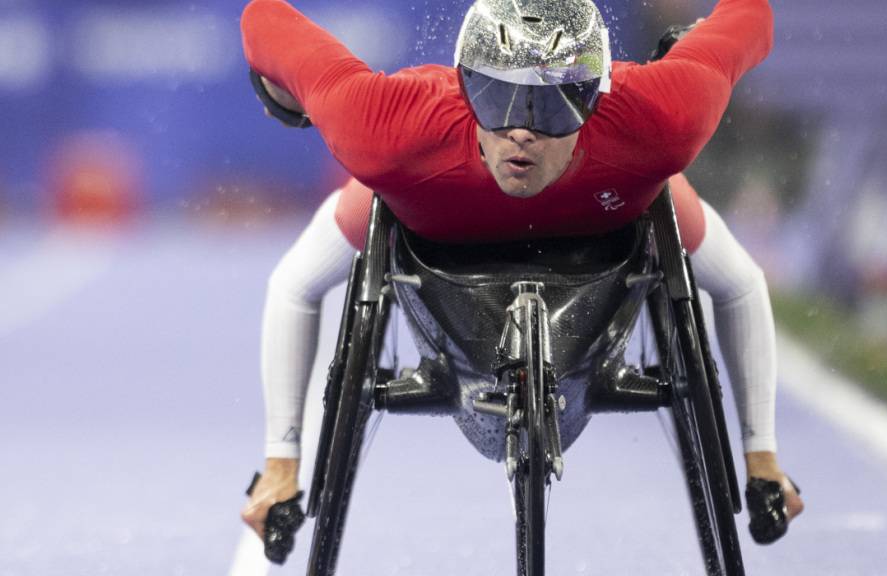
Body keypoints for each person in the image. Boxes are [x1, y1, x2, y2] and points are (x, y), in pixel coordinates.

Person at [239, 0, 803, 556]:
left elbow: (751, 15)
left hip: (602, 200)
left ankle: (765, 461)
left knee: (734, 275)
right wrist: (284, 461)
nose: (521, 133)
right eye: (497, 96)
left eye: (550, 106)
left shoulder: (658, 116)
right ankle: (278, 466)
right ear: (464, 85)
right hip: (428, 186)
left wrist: (758, 458)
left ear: (593, 96)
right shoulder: (391, 126)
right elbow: (263, 16)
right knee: (299, 275)